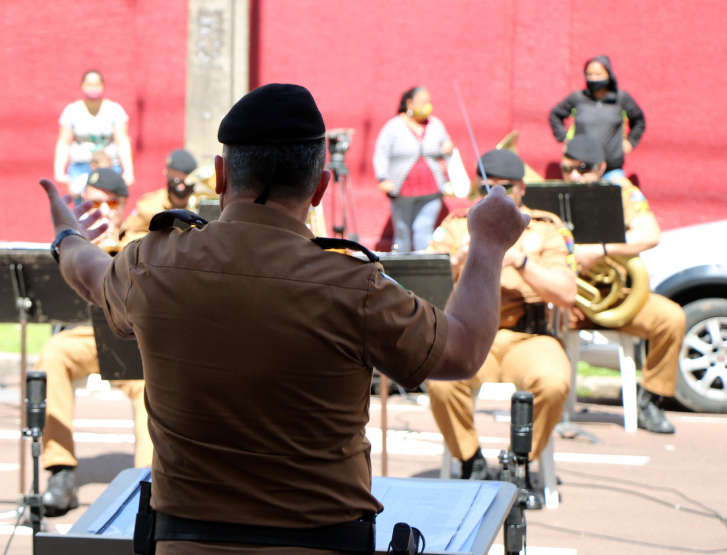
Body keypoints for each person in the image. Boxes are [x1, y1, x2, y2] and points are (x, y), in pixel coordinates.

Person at [40, 83, 530, 553]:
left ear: (220, 175)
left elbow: (88, 272)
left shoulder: (152, 263)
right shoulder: (356, 288)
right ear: (319, 188)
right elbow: (463, 349)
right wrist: (487, 244)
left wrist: (67, 234)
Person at [425, 149, 577, 506]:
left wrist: (521, 261)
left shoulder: (546, 228)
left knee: (554, 382)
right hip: (468, 332)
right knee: (438, 380)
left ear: (522, 188)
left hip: (527, 336)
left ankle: (519, 463)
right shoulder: (456, 225)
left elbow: (568, 292)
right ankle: (471, 460)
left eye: (505, 188)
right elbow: (427, 285)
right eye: (487, 187)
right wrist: (458, 260)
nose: (495, 195)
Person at [37, 167, 148, 516]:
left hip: (132, 339)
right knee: (52, 355)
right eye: (93, 202)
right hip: (89, 333)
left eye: (110, 202)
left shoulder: (143, 236)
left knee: (151, 385)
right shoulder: (81, 235)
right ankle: (60, 471)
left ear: (122, 205)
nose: (102, 210)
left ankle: (146, 484)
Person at [561, 135, 683, 434]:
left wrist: (599, 251)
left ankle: (649, 399)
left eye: (583, 168)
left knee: (672, 319)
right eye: (567, 168)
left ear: (601, 167)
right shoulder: (552, 196)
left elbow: (650, 233)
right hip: (561, 295)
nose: (574, 175)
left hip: (612, 297)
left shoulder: (622, 192)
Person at [373, 86, 454, 252]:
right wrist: (382, 178)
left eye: (429, 102)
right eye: (423, 102)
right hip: (402, 191)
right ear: (410, 103)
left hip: (431, 192)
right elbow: (381, 154)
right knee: (402, 232)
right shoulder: (393, 127)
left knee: (424, 230)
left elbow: (447, 145)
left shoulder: (436, 125)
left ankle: (421, 270)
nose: (428, 106)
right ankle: (399, 271)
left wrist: (448, 148)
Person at [549, 55, 645, 184]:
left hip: (612, 169)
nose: (593, 79)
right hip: (582, 172)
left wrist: (631, 142)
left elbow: (639, 120)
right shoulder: (578, 98)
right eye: (589, 75)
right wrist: (564, 139)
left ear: (609, 75)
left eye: (598, 74)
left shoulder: (620, 99)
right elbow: (555, 114)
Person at [54, 70, 135, 198]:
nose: (93, 88)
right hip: (80, 166)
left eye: (96, 84)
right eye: (89, 84)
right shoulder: (72, 111)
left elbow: (122, 142)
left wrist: (129, 171)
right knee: (81, 207)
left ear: (103, 85)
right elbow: (64, 142)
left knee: (110, 203)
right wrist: (59, 171)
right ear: (82, 85)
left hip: (109, 166)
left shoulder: (114, 110)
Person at [120, 149, 198, 243]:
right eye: (176, 181)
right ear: (166, 175)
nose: (181, 187)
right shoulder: (149, 205)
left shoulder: (201, 204)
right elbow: (128, 234)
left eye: (186, 182)